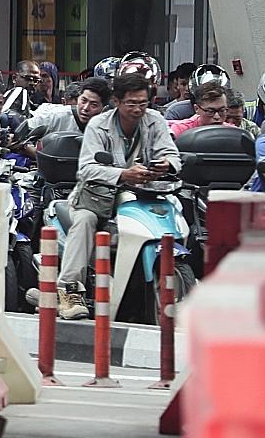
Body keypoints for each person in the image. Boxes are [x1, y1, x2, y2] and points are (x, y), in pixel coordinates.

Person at [50, 72, 181, 319]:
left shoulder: (155, 120)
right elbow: (86, 169)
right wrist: (123, 174)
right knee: (85, 220)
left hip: (142, 194)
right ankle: (69, 289)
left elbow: (172, 154)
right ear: (117, 102)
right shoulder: (98, 125)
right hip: (96, 195)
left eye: (143, 103)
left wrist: (166, 164)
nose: (138, 109)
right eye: (131, 103)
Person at [22, 76, 110, 140]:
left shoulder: (108, 129)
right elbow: (24, 130)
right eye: (83, 100)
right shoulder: (55, 116)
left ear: (104, 108)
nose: (86, 108)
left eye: (93, 105)